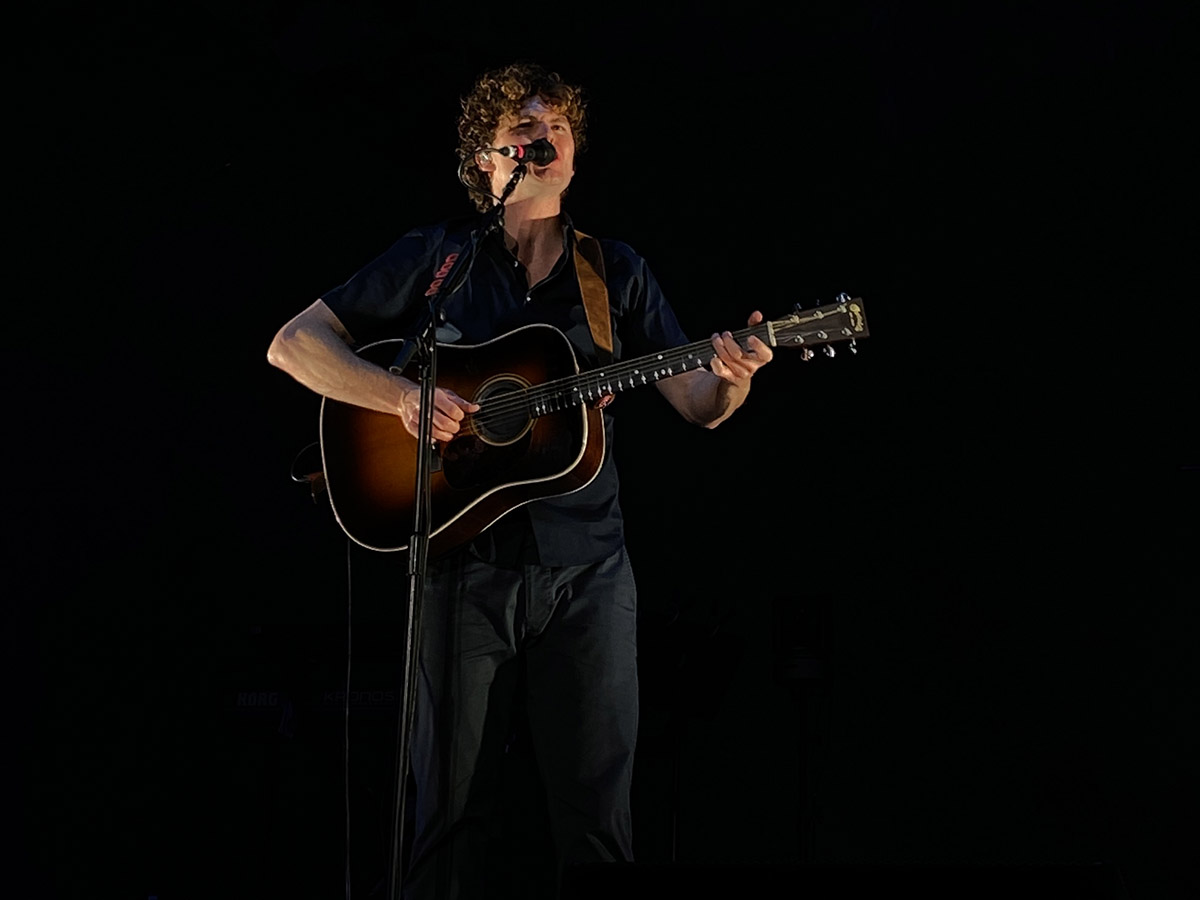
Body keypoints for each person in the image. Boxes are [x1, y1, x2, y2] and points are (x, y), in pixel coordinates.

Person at [267, 62, 772, 899]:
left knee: (595, 818)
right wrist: (399, 395)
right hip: (462, 566)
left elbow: (697, 403)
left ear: (574, 157)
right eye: (521, 129)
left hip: (588, 572)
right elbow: (294, 345)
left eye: (557, 128)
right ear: (485, 164)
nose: (543, 140)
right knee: (443, 818)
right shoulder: (438, 262)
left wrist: (735, 378)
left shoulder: (614, 272)